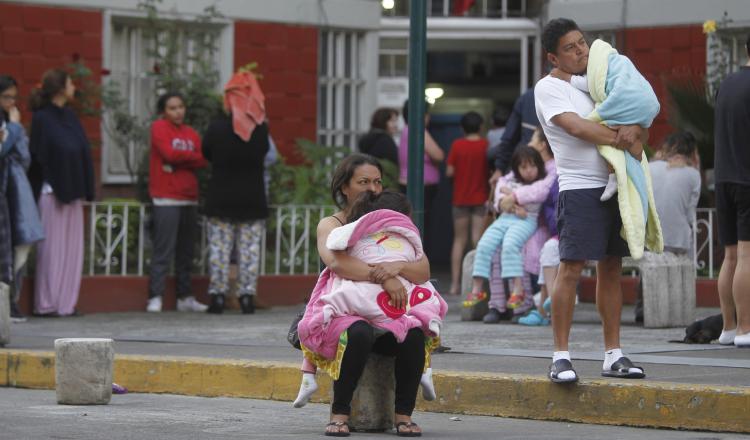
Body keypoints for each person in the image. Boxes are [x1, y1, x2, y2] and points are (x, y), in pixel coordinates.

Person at [535, 18, 649, 383]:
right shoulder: (548, 88)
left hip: (619, 184)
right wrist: (622, 136)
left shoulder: (598, 82)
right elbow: (578, 128)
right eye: (570, 47)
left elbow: (639, 122)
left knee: (612, 266)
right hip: (579, 186)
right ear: (553, 56)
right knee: (570, 268)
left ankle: (613, 354)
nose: (581, 50)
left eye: (582, 42)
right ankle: (560, 356)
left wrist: (636, 130)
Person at [297, 154, 432, 436]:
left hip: (388, 314)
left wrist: (400, 267)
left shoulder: (390, 220)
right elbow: (338, 263)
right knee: (357, 333)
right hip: (344, 313)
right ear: (344, 188)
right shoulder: (332, 225)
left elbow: (422, 269)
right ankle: (339, 414)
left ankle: (404, 415)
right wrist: (388, 279)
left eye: (377, 182)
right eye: (363, 182)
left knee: (414, 334)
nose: (373, 189)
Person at [28, 68, 95, 317]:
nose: (73, 87)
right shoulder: (42, 118)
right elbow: (39, 155)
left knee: (71, 250)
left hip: (73, 191)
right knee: (51, 250)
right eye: (70, 83)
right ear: (60, 88)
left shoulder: (70, 115)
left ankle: (66, 303)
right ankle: (46, 303)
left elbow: (80, 150)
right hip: (51, 191)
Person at [202, 71, 269, 315]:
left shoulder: (217, 128)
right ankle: (247, 297)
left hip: (221, 196)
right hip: (252, 198)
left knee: (219, 249)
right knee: (249, 250)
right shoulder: (261, 131)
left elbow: (206, 153)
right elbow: (263, 155)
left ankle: (218, 296)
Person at [146, 92, 208, 313]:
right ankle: (155, 296)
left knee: (186, 251)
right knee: (163, 249)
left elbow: (202, 158)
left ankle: (185, 297)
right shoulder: (159, 128)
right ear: (164, 110)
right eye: (172, 107)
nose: (178, 111)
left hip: (189, 197)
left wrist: (180, 160)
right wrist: (185, 158)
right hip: (165, 198)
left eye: (181, 106)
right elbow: (168, 154)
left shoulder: (190, 133)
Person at [467, 146, 551, 307]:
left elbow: (528, 200)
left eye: (533, 166)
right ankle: (477, 289)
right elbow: (502, 199)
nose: (529, 171)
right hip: (505, 218)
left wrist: (511, 195)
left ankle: (518, 290)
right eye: (524, 167)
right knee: (484, 244)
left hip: (526, 220)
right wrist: (514, 204)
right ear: (517, 168)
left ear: (539, 166)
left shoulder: (541, 182)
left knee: (510, 244)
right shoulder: (509, 179)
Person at [632, 131, 701, 322]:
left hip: (648, 238)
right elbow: (690, 214)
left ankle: (642, 307)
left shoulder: (649, 168)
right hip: (678, 241)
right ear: (691, 152)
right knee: (683, 244)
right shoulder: (693, 174)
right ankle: (678, 308)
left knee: (649, 262)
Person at [713, 35, 750, 347]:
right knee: (747, 255)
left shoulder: (727, 84)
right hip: (747, 179)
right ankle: (746, 330)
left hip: (723, 178)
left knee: (730, 256)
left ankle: (728, 327)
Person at [0, 75, 44, 322]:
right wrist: (14, 129)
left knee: (11, 250)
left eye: (14, 97)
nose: (11, 102)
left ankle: (9, 304)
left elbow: (24, 157)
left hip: (9, 191)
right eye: (6, 97)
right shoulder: (9, 124)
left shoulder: (9, 121)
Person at [446, 111, 489, 296]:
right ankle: (475, 285)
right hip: (480, 198)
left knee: (459, 240)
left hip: (460, 198)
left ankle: (455, 285)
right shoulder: (486, 145)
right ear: (481, 127)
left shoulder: (457, 145)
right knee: (477, 241)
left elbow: (449, 172)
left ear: (462, 128)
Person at [398, 100, 444, 231]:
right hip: (419, 187)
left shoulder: (407, 130)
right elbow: (438, 155)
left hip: (415, 185)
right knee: (420, 225)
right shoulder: (417, 129)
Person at [489, 88, 539, 185]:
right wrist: (499, 168)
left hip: (524, 169)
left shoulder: (528, 97)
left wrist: (499, 169)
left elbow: (509, 138)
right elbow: (509, 139)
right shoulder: (528, 98)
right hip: (559, 173)